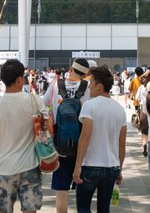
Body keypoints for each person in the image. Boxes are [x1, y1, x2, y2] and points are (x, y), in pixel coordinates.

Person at [0, 59, 45, 213]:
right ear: (19, 79)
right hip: (30, 166)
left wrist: (5, 140)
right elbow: (48, 129)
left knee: (3, 210)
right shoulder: (34, 100)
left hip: (5, 168)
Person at [73, 66, 127, 213]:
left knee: (83, 208)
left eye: (91, 83)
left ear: (99, 86)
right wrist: (120, 169)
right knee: (104, 209)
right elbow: (122, 144)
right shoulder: (120, 110)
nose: (89, 86)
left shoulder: (89, 106)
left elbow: (85, 137)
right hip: (112, 167)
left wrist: (77, 166)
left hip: (90, 165)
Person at [42, 58, 92, 213]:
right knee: (83, 189)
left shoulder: (56, 84)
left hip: (60, 142)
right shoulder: (88, 87)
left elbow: (43, 104)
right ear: (85, 73)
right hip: (82, 144)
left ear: (71, 68)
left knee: (61, 190)